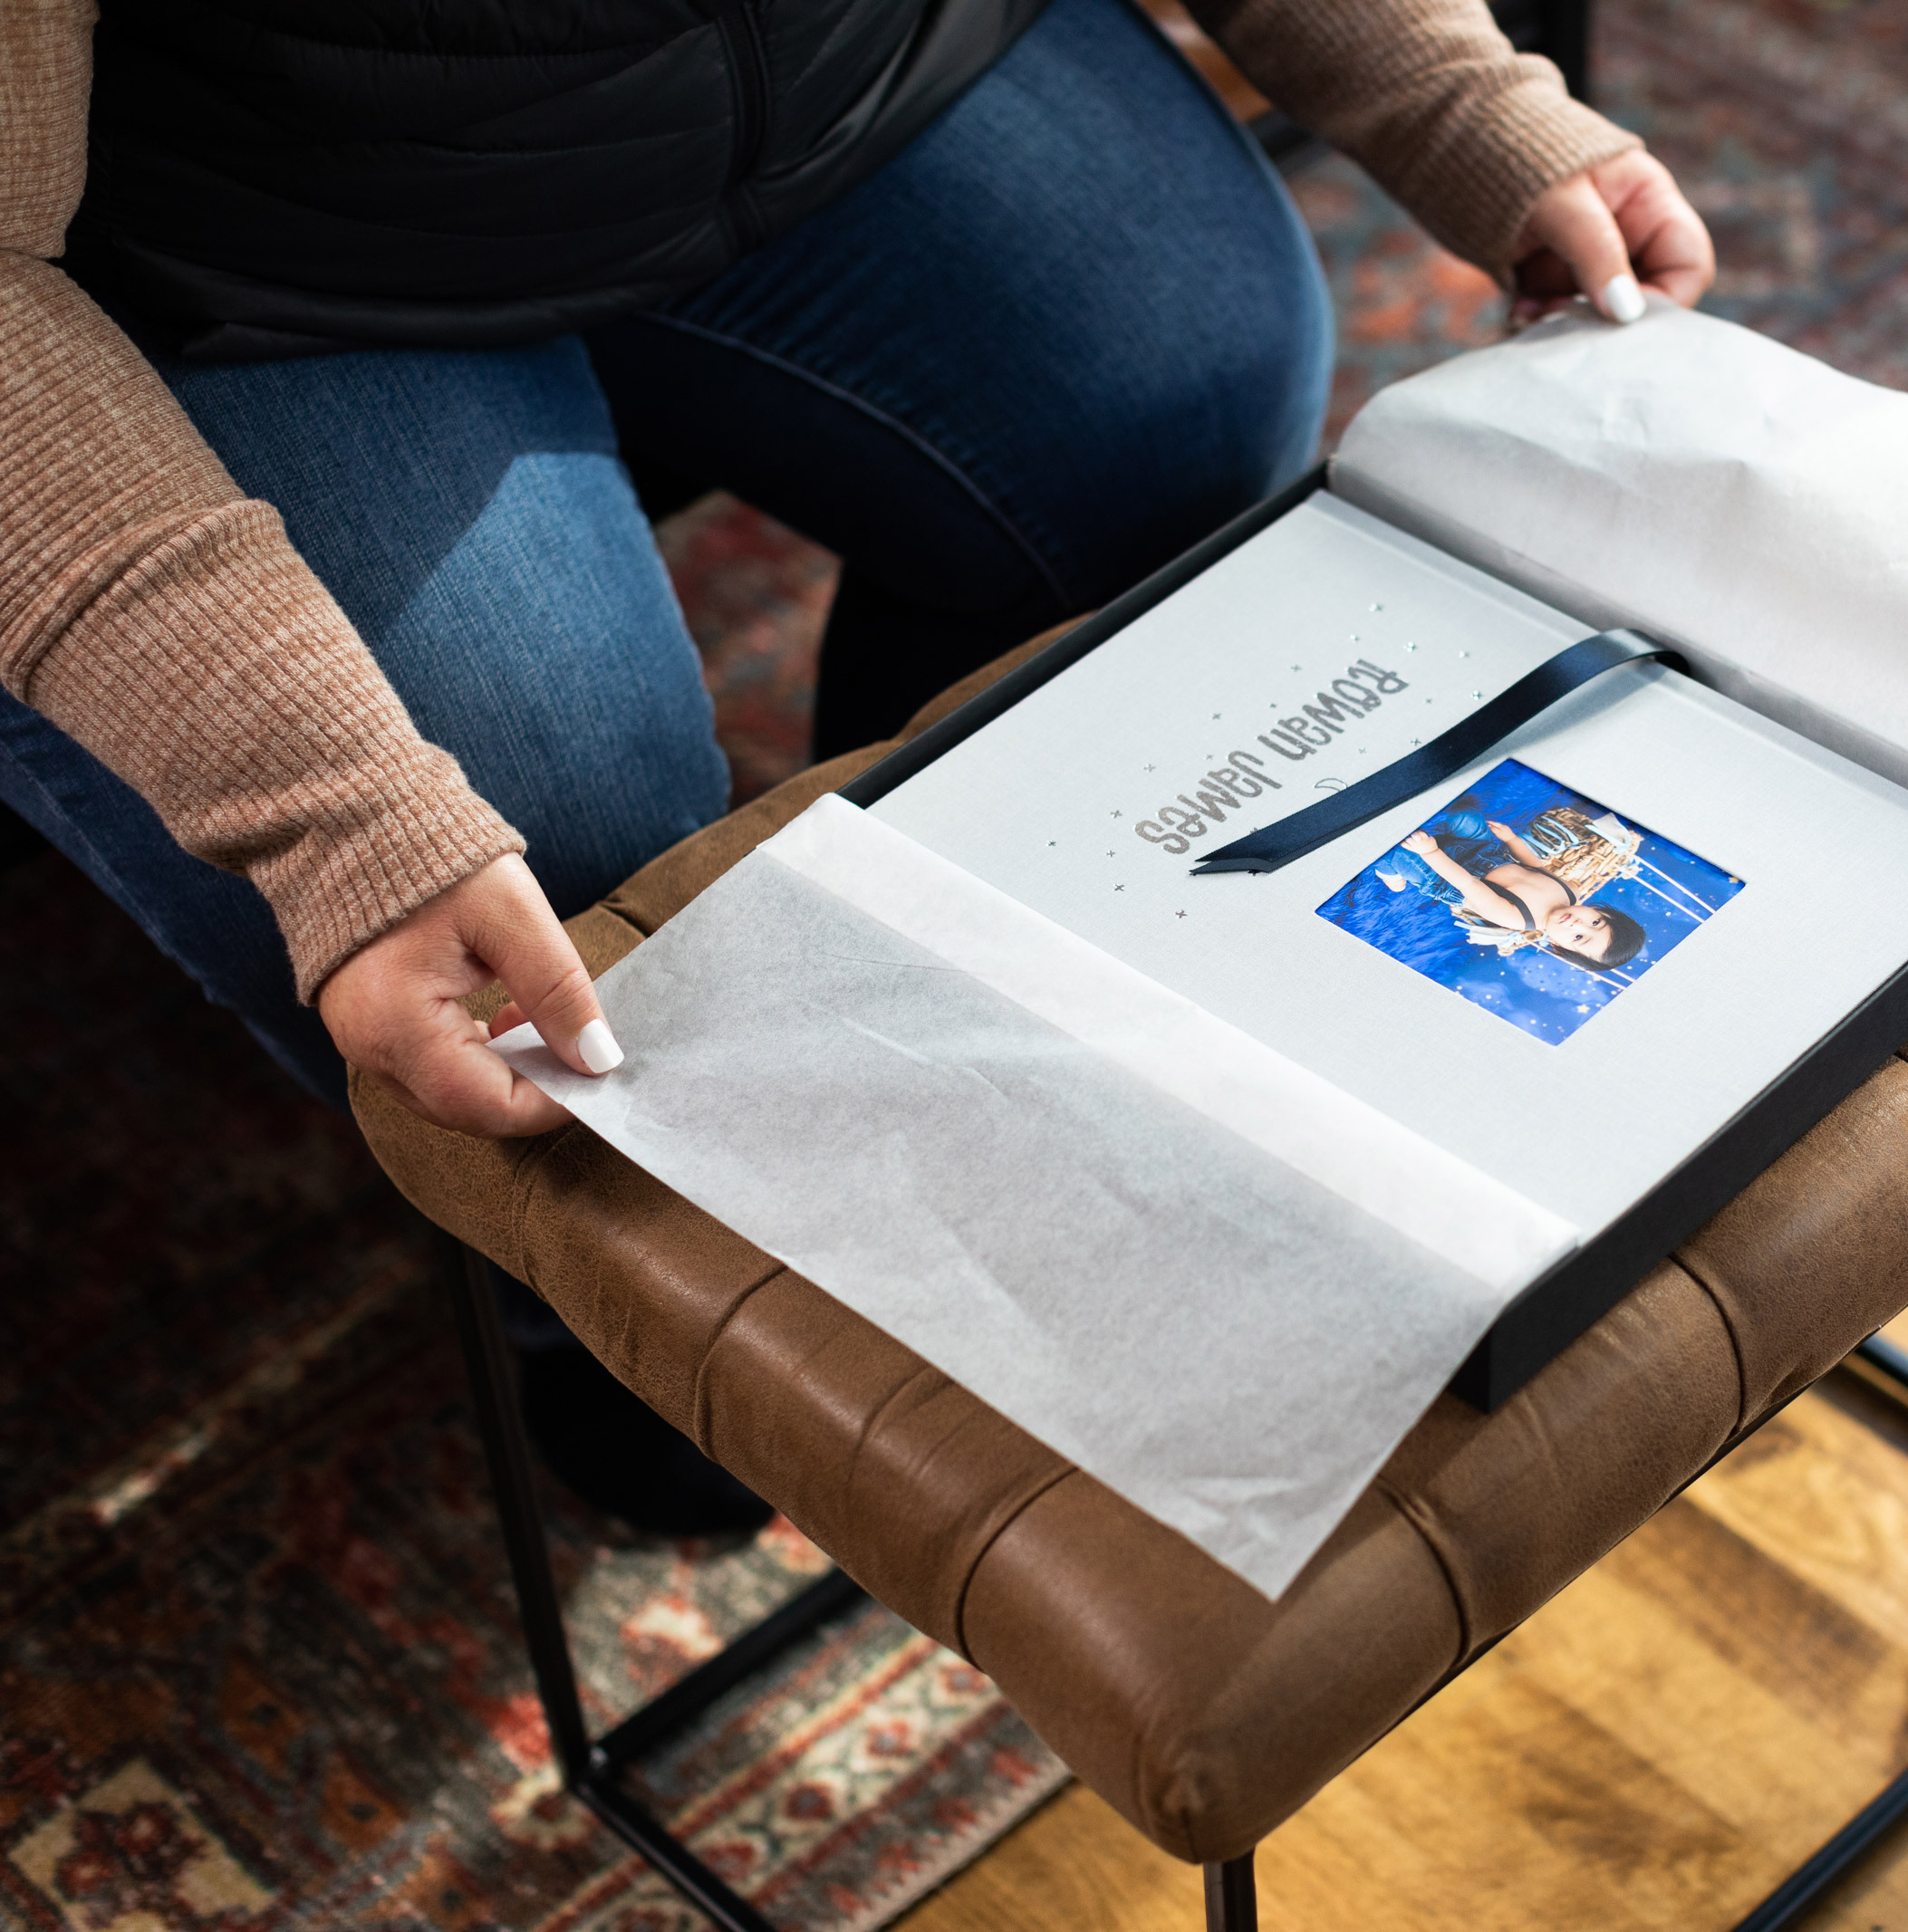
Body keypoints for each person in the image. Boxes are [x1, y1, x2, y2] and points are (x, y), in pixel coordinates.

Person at [1, 0, 1716, 1527]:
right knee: (574, 882)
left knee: (1190, 398)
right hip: (226, 246)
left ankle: (940, 999)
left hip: (855, 66)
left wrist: (1456, 87)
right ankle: (641, 1359)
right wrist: (323, 802)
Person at [1380, 818, 1647, 970]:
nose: (1578, 924)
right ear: (1601, 911)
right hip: (1488, 854)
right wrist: (1510, 839)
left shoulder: (1518, 919)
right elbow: (1536, 866)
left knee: (1396, 852)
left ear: (1558, 946)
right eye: (1595, 922)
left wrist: (1431, 853)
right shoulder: (1571, 892)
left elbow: (1469, 886)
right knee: (1466, 818)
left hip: (1444, 875)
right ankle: (1443, 839)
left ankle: (1391, 874)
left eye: (1578, 937)